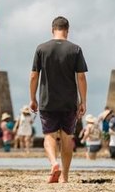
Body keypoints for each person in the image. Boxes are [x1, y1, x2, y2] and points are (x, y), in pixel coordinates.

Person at [29, 16, 88, 183]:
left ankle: (54, 164)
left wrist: (33, 98)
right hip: (69, 101)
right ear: (67, 31)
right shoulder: (75, 49)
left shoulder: (42, 49)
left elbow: (34, 76)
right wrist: (83, 101)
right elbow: (81, 77)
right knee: (67, 137)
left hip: (48, 100)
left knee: (49, 136)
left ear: (52, 29)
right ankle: (65, 177)